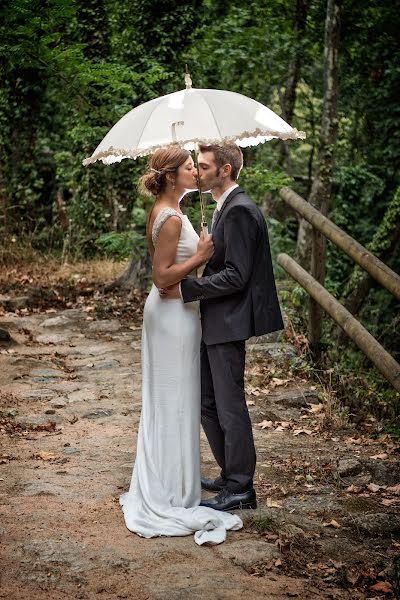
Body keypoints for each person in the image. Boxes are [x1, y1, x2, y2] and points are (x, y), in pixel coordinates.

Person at [119, 146, 243, 545]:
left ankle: (176, 483)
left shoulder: (171, 209)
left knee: (178, 399)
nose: (197, 172)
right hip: (172, 315)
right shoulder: (170, 217)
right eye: (191, 167)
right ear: (173, 176)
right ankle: (169, 492)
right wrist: (201, 256)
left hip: (179, 314)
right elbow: (161, 278)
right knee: (173, 399)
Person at [161, 143, 284, 512]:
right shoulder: (223, 207)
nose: (196, 172)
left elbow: (237, 275)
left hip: (229, 321)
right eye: (196, 166)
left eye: (203, 166)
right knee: (207, 401)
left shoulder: (241, 210)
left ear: (225, 170)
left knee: (229, 406)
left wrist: (190, 287)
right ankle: (230, 473)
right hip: (216, 319)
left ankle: (241, 487)